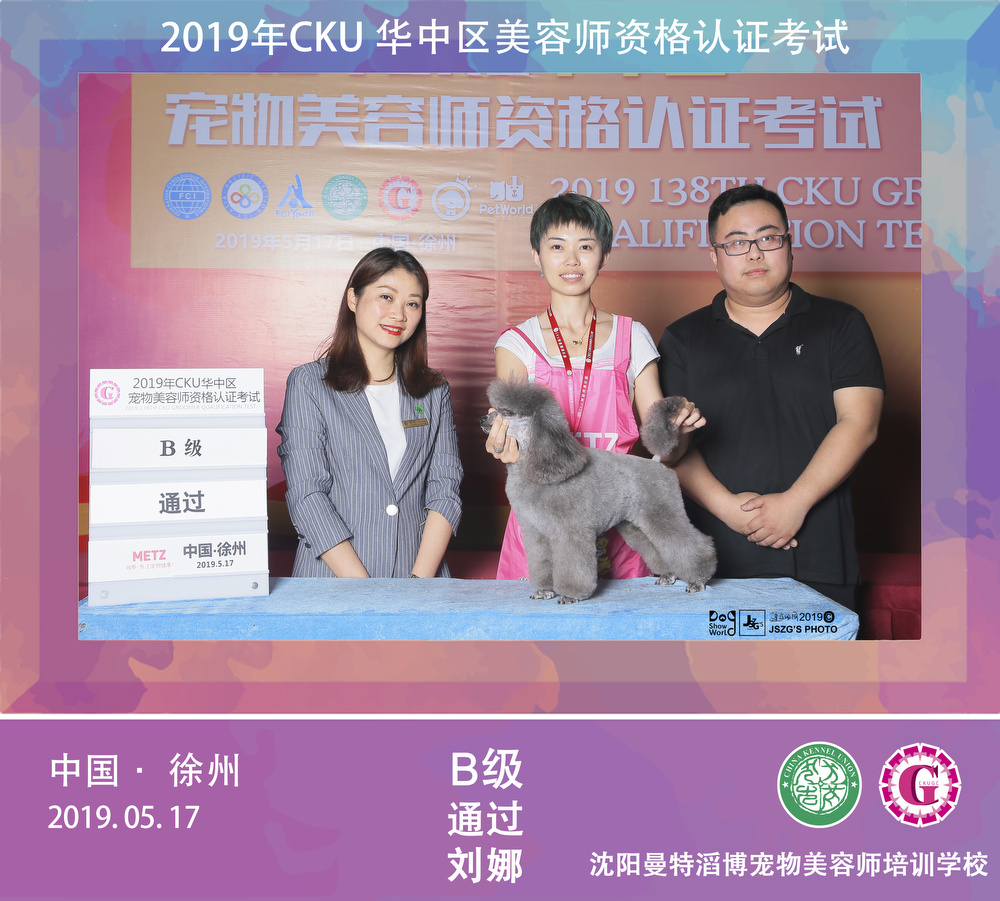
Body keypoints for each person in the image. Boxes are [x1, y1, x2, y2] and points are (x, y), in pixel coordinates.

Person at [657, 184, 885, 609]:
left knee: (819, 656)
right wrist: (729, 510)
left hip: (819, 556)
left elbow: (860, 423)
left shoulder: (841, 324)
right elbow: (672, 448)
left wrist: (795, 503)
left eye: (768, 238)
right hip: (709, 562)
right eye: (736, 242)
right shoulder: (682, 339)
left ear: (789, 245)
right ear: (715, 255)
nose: (754, 253)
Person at [485, 193, 704, 580]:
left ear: (603, 255)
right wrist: (503, 446)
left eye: (585, 246)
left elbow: (665, 450)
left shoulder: (632, 336)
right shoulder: (516, 344)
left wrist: (678, 431)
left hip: (621, 518)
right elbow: (513, 444)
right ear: (537, 255)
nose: (572, 260)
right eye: (557, 246)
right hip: (547, 522)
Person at [276, 248, 462, 578]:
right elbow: (307, 495)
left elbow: (444, 490)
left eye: (412, 304)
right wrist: (367, 592)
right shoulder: (310, 383)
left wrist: (418, 583)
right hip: (333, 582)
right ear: (353, 298)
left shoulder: (434, 390)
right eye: (386, 297)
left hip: (418, 580)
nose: (399, 314)